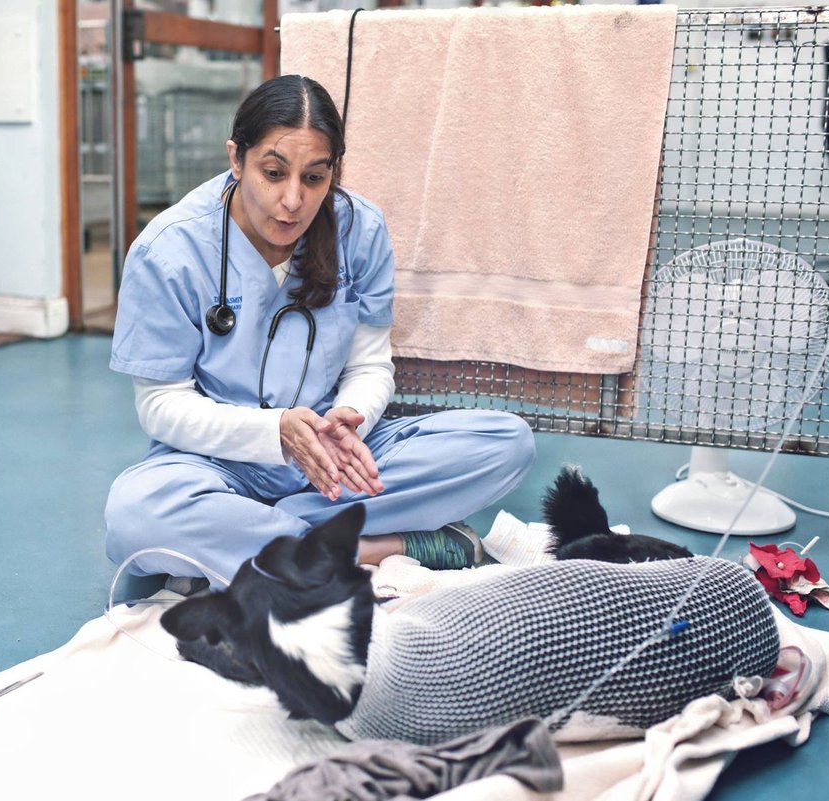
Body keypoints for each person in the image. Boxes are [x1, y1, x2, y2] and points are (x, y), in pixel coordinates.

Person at [104, 74, 534, 589]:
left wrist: (349, 421)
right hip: (218, 464)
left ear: (333, 173)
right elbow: (161, 406)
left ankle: (246, 543)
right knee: (135, 515)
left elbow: (370, 365)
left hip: (330, 460)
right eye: (272, 172)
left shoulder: (361, 230)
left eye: (314, 178)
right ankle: (370, 547)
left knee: (506, 443)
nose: (292, 201)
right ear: (235, 159)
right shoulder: (169, 251)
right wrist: (276, 432)